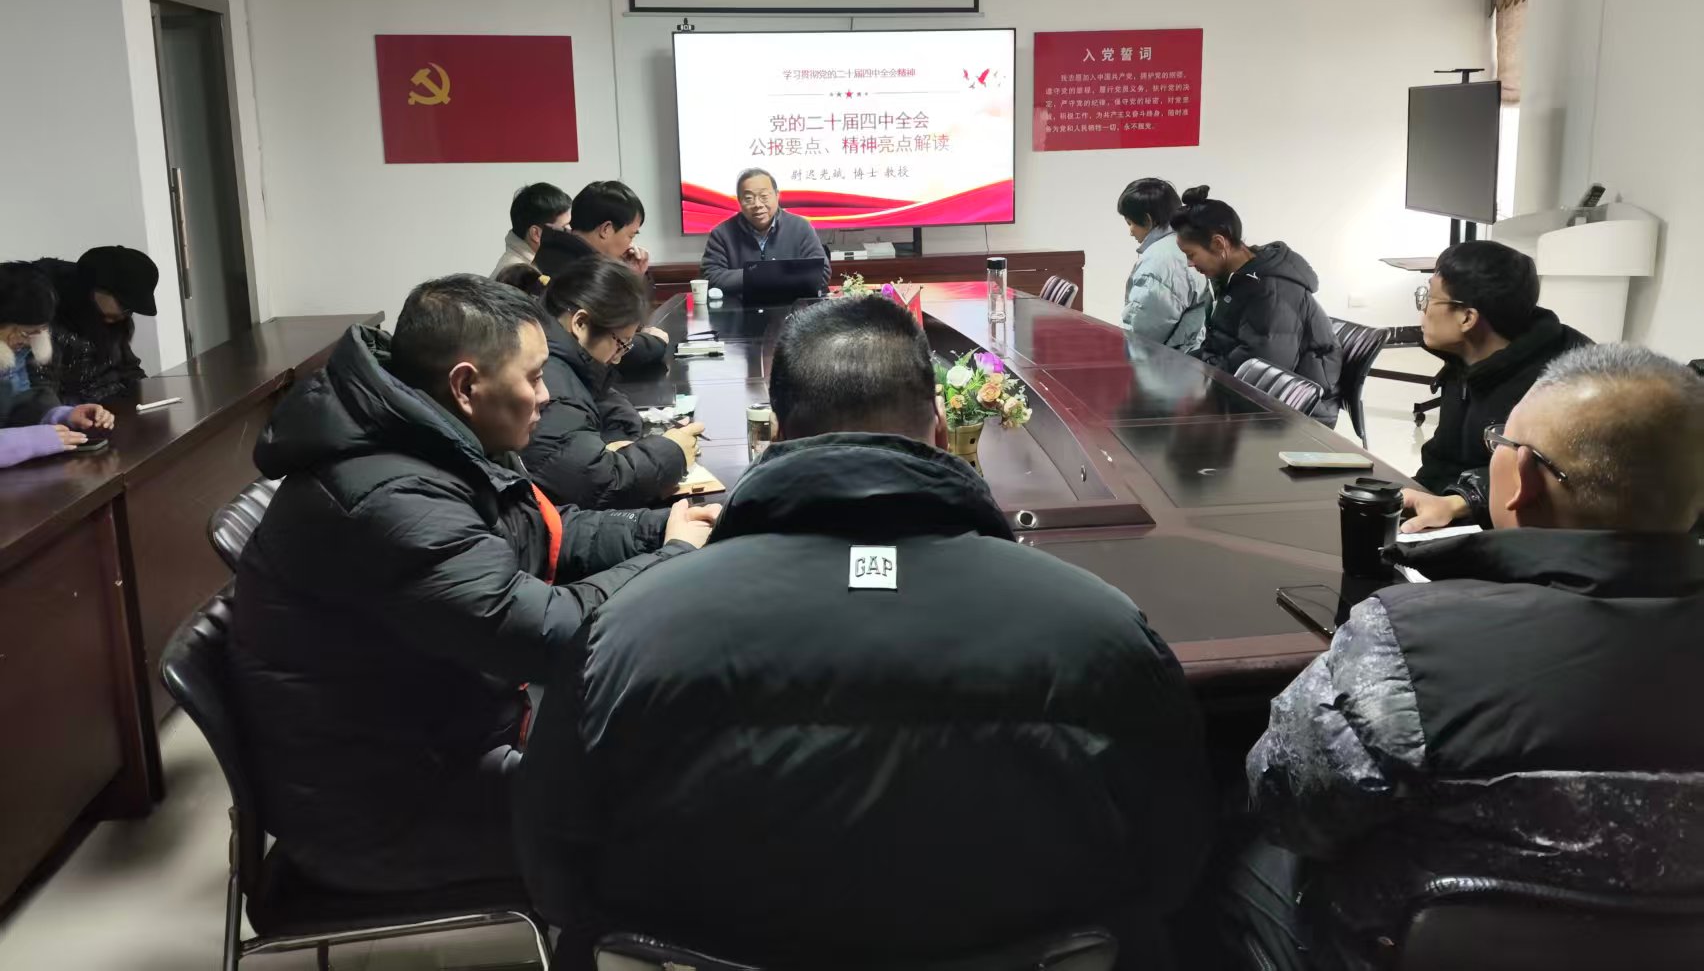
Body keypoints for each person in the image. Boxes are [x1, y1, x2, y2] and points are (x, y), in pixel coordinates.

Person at [516, 294, 1214, 970]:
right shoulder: (1100, 627)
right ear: (939, 429)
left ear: (776, 435)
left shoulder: (624, 633)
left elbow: (556, 877)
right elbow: (1173, 862)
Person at [230, 274, 718, 894]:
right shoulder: (389, 497)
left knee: (674, 732)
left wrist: (661, 530)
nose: (546, 395)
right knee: (690, 794)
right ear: (466, 386)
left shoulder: (427, 438)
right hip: (387, 812)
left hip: (438, 735)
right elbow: (544, 637)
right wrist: (673, 558)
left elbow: (540, 532)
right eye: (533, 377)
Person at [1231, 344, 1704, 971]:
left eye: (1499, 442)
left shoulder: (1405, 641)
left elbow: (1288, 805)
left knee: (1241, 853)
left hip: (1389, 943)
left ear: (1523, 479)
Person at [1401, 240, 1590, 532]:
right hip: (1462, 516)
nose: (1422, 310)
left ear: (1467, 318)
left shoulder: (1565, 382)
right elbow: (1442, 459)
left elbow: (1559, 474)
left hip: (1522, 534)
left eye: (1429, 298)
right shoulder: (1464, 360)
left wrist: (1459, 502)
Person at [521, 256, 702, 510]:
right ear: (581, 323)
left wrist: (614, 443)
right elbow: (598, 484)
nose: (618, 358)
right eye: (621, 343)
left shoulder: (569, 361)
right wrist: (673, 452)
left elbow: (606, 404)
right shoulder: (551, 382)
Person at [1173, 186, 1341, 423]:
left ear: (1219, 244)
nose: (1189, 264)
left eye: (1191, 254)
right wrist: (1182, 364)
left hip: (1297, 407)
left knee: (1171, 422)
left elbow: (1264, 368)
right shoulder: (1236, 277)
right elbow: (1223, 346)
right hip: (1253, 390)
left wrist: (1202, 377)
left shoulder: (1272, 290)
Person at [532, 181, 670, 373]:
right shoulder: (576, 271)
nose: (631, 246)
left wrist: (629, 276)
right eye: (631, 236)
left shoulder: (557, 254)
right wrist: (653, 342)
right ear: (606, 229)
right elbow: (608, 347)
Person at [0, 261, 114, 467]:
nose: (28, 342)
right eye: (25, 333)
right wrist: (28, 441)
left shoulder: (13, 351)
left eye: (38, 332)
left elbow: (17, 405)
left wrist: (61, 416)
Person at [33, 246, 159, 404]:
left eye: (130, 310)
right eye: (124, 305)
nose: (125, 315)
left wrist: (150, 398)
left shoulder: (113, 322)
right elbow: (45, 395)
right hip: (80, 414)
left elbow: (129, 370)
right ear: (96, 289)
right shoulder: (46, 323)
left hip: (118, 406)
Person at [699, 166, 829, 297]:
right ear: (739, 201)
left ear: (777, 195)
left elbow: (821, 272)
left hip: (791, 306)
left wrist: (776, 277)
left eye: (764, 196)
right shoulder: (722, 234)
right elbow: (710, 277)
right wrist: (759, 275)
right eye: (748, 198)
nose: (757, 204)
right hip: (740, 307)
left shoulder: (800, 227)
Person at [1117, 178, 1209, 351]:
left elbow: (1141, 335)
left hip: (1167, 363)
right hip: (1191, 356)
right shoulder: (1185, 245)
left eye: (1130, 223)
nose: (1130, 232)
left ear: (1148, 219)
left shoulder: (1159, 262)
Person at [491, 181, 572, 277]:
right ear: (536, 234)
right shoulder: (518, 278)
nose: (571, 232)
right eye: (564, 228)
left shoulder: (539, 265)